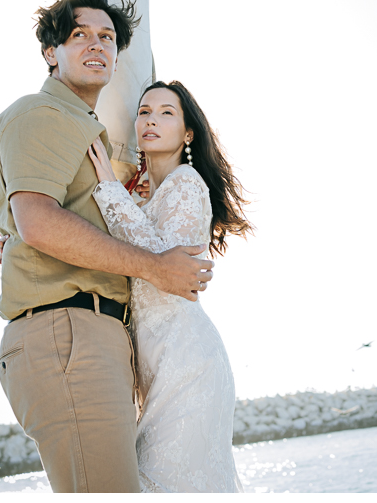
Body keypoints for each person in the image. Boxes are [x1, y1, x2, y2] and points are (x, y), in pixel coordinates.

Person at [0, 0, 213, 493]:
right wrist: (157, 267)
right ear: (51, 52)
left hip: (96, 335)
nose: (97, 45)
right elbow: (39, 222)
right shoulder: (40, 114)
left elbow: (37, 219)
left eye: (107, 37)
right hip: (67, 330)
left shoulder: (87, 132)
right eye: (79, 35)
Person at [88, 79, 253, 493]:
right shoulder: (147, 198)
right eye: (144, 111)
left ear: (188, 132)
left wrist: (109, 186)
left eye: (166, 113)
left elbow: (163, 263)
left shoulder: (186, 182)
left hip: (187, 362)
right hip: (160, 365)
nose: (151, 120)